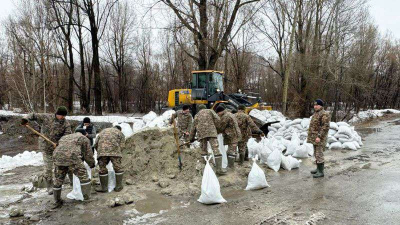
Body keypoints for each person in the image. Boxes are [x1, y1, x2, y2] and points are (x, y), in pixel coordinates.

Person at [21, 106, 72, 195]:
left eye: (64, 116)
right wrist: (25, 119)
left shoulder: (66, 123)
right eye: (61, 115)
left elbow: (67, 135)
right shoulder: (47, 117)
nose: (62, 117)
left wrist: (61, 143)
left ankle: (60, 182)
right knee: (48, 168)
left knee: (60, 166)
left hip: (58, 148)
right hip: (46, 147)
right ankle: (49, 186)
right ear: (57, 114)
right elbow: (33, 115)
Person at [52, 129, 95, 208]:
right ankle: (86, 198)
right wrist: (91, 164)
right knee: (84, 176)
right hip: (72, 157)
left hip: (57, 157)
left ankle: (57, 201)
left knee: (58, 179)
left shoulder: (64, 137)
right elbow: (88, 154)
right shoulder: (84, 138)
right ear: (85, 134)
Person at [189, 104, 225, 174]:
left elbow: (193, 128)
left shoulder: (197, 115)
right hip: (211, 132)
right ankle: (219, 169)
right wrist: (218, 129)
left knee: (204, 150)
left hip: (202, 134)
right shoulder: (210, 111)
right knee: (215, 149)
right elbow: (218, 120)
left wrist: (191, 138)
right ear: (205, 107)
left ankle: (204, 168)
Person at [94, 125, 125, 192]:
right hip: (115, 151)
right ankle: (118, 187)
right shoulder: (119, 133)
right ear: (119, 129)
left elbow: (95, 144)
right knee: (118, 167)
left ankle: (104, 188)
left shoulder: (102, 131)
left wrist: (100, 153)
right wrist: (118, 153)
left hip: (102, 151)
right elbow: (122, 145)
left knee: (102, 168)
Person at [307, 99, 330, 178]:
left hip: (319, 138)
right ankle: (318, 169)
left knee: (319, 154)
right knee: (316, 154)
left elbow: (325, 127)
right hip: (314, 138)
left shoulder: (324, 114)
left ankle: (321, 172)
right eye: (314, 105)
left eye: (317, 105)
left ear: (321, 106)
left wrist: (319, 137)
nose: (315, 106)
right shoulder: (316, 113)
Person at [216, 105, 242, 170]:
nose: (218, 115)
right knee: (232, 149)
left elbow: (222, 127)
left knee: (231, 150)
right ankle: (230, 164)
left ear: (220, 111)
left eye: (218, 113)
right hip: (234, 134)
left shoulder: (226, 116)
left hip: (232, 135)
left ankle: (230, 166)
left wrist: (216, 132)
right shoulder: (229, 114)